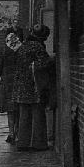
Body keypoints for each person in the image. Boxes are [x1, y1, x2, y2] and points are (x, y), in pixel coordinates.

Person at [12, 23, 52, 151]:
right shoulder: (38, 47)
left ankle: (23, 142)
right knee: (38, 114)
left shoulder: (23, 46)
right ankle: (38, 143)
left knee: (24, 115)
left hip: (21, 86)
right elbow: (43, 64)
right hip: (34, 86)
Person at [0, 25, 23, 144]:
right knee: (18, 108)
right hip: (19, 81)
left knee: (10, 110)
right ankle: (18, 134)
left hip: (7, 82)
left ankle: (11, 133)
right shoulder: (21, 48)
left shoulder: (3, 49)